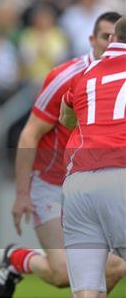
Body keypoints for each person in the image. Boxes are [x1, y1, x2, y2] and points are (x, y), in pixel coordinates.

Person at [0, 12, 126, 298]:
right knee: (63, 274)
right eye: (103, 36)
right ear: (92, 39)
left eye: (111, 37)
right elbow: (30, 133)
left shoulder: (92, 78)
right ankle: (18, 259)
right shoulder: (65, 76)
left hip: (80, 184)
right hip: (52, 183)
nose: (108, 42)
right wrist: (21, 193)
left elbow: (69, 118)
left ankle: (21, 261)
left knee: (110, 270)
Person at [58, 17, 126, 298]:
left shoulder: (85, 72)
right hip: (120, 175)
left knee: (86, 291)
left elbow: (66, 117)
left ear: (112, 40)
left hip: (78, 184)